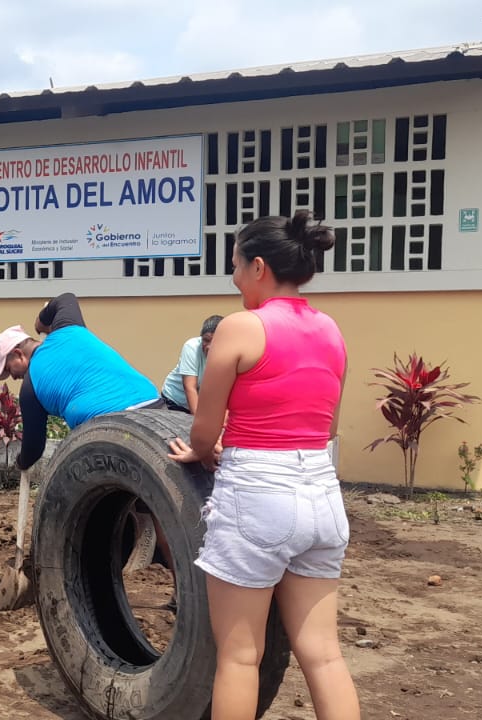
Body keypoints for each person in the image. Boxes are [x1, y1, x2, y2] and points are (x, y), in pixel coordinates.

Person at [166, 211, 357, 720]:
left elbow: (204, 431)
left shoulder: (241, 327)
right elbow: (329, 428)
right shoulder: (332, 331)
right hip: (322, 494)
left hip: (257, 494)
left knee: (239, 657)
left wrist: (202, 451)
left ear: (258, 267)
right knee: (324, 655)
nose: (233, 279)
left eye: (235, 266)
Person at [0, 292, 161, 472]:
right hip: (156, 407)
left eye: (9, 369)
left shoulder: (30, 388)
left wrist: (21, 462)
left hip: (114, 432)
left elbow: (33, 448)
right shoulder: (69, 328)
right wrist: (41, 322)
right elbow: (66, 298)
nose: (13, 377)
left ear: (18, 355)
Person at [161, 315, 225, 413]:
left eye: (216, 341)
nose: (209, 347)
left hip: (202, 402)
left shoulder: (231, 352)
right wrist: (197, 418)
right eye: (206, 340)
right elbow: (190, 387)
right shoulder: (192, 347)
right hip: (175, 400)